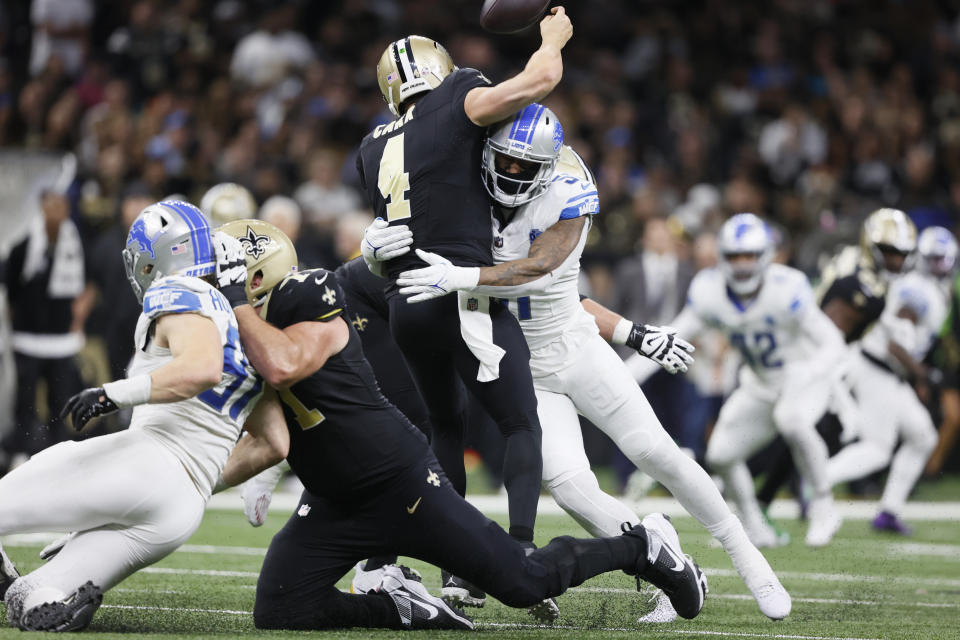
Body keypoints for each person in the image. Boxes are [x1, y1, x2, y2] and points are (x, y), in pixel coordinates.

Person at [379, 107, 790, 622]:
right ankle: (664, 561)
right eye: (502, 161)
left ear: (547, 168)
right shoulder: (464, 188)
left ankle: (748, 558)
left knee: (654, 450)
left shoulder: (569, 188)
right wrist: (378, 246)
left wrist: (461, 277)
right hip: (524, 369)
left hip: (575, 348)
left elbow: (542, 271)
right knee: (572, 487)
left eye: (522, 167)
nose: (508, 174)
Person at [212, 220, 707, 631]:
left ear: (252, 279)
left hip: (397, 483)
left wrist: (234, 299)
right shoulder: (246, 326)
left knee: (523, 582)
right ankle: (398, 607)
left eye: (224, 279)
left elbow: (280, 365)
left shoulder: (306, 294)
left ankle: (642, 547)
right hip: (334, 498)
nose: (213, 289)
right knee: (280, 609)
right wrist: (199, 477)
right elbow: (271, 435)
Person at [354, 9, 573, 595]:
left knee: (445, 428)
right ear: (440, 70)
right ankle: (519, 550)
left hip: (406, 304)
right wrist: (552, 36)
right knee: (519, 422)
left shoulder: (371, 146)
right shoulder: (456, 99)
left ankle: (455, 565)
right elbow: (537, 84)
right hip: (456, 289)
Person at [0, 200, 265, 632]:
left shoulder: (180, 290)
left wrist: (110, 395)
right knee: (24, 599)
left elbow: (200, 368)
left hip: (146, 461)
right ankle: (49, 600)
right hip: (181, 508)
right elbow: (274, 443)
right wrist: (109, 503)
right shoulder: (248, 337)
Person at [627, 213, 846, 548]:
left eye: (750, 256)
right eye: (735, 257)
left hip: (803, 378)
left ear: (766, 257)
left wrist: (811, 372)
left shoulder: (787, 288)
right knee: (721, 454)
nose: (743, 265)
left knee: (792, 419)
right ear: (722, 258)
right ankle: (755, 525)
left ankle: (823, 503)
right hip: (760, 384)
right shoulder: (709, 291)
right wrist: (623, 375)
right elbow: (668, 337)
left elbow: (833, 342)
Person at [753, 208, 918, 521]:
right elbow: (834, 320)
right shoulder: (862, 282)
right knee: (795, 424)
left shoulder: (864, 266)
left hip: (824, 349)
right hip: (815, 351)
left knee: (802, 426)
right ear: (873, 246)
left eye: (902, 254)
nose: (897, 261)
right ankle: (761, 491)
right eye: (891, 252)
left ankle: (775, 494)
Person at [826, 263, 944, 535]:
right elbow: (895, 344)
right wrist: (923, 374)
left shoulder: (912, 284)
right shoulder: (917, 290)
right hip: (876, 370)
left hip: (890, 374)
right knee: (878, 448)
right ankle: (818, 481)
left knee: (923, 436)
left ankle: (889, 512)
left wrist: (917, 375)